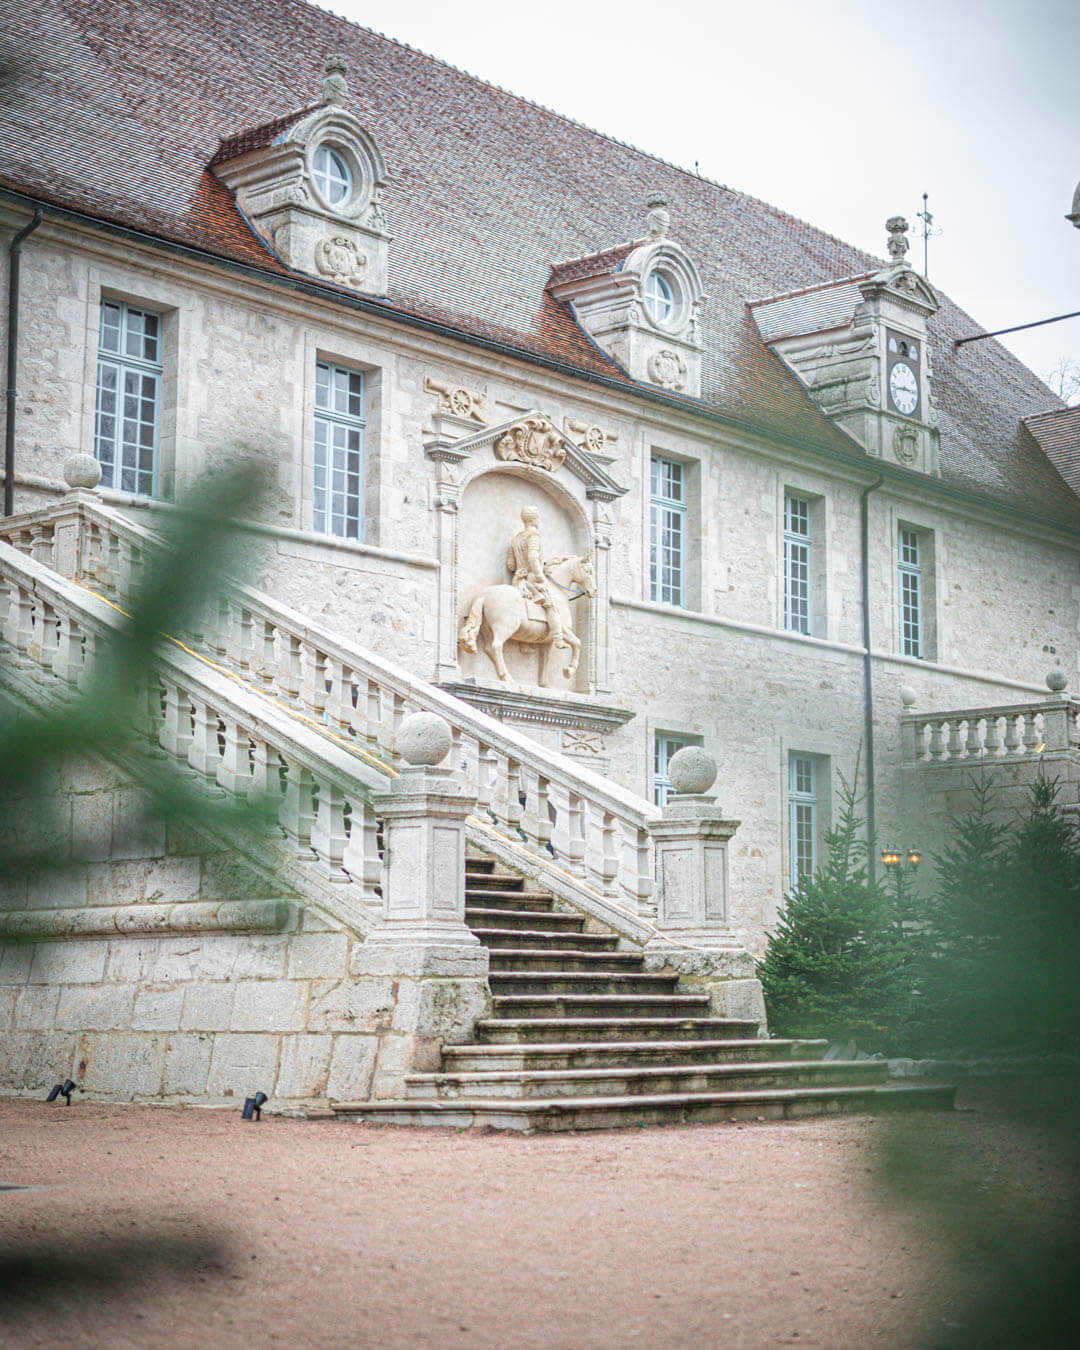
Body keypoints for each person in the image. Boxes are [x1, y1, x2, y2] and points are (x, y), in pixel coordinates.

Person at [506, 506, 569, 649]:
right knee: (551, 605)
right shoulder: (533, 536)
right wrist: (540, 576)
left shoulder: (516, 539)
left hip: (518, 578)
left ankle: (525, 641)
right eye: (537, 517)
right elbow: (533, 557)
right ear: (533, 519)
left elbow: (510, 565)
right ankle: (558, 637)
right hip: (532, 577)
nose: (538, 520)